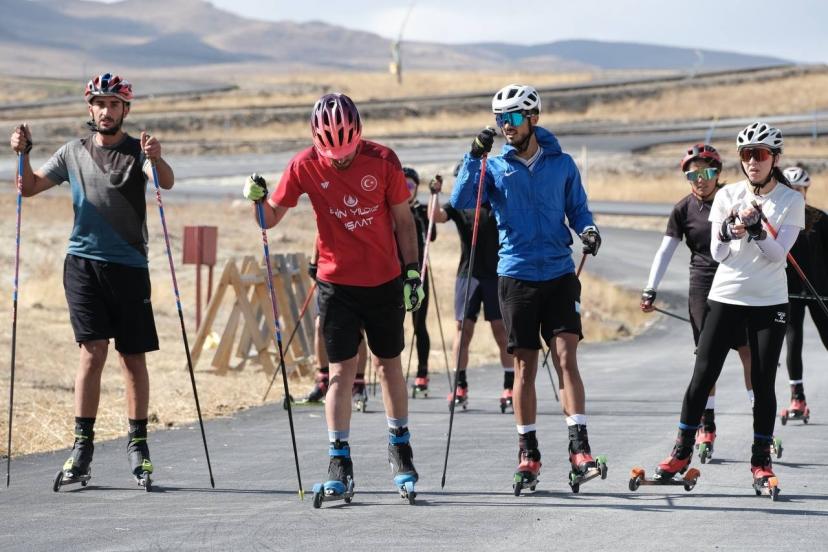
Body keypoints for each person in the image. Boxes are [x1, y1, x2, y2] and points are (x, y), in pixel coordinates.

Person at [243, 93, 423, 501]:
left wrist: (412, 272)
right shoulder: (303, 164)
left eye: (347, 151)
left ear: (359, 134)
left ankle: (400, 447)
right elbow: (269, 217)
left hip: (384, 280)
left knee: (388, 365)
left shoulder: (383, 160)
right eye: (332, 154)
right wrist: (256, 198)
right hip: (336, 283)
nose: (341, 160)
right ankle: (338, 458)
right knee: (340, 372)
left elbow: (403, 221)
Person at [8, 73, 174, 487]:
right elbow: (28, 188)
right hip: (82, 265)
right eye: (100, 103)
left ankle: (139, 446)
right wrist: (21, 154)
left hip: (129, 266)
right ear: (90, 108)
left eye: (114, 104)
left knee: (132, 358)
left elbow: (165, 183)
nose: (106, 110)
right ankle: (81, 449)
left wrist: (157, 157)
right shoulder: (72, 152)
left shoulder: (137, 151)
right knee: (92, 353)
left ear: (125, 110)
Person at [450, 83, 603, 491]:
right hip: (515, 274)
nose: (507, 125)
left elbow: (578, 209)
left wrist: (588, 230)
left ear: (533, 118)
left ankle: (580, 449)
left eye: (514, 117)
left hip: (558, 272)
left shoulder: (562, 164)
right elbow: (461, 200)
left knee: (566, 357)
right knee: (524, 368)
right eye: (501, 118)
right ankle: (529, 454)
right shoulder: (494, 166)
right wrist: (474, 156)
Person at [648, 122, 804, 496]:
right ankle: (681, 452)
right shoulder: (728, 195)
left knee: (763, 383)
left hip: (768, 301)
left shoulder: (790, 200)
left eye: (760, 154)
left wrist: (757, 230)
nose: (753, 161)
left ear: (774, 158)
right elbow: (718, 254)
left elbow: (778, 255)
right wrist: (726, 231)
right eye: (747, 154)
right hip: (726, 297)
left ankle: (761, 460)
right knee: (702, 375)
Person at [640, 143, 752, 461]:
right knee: (707, 357)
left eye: (707, 172)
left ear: (718, 173)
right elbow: (665, 251)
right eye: (693, 175)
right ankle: (707, 425)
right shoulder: (683, 209)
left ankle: (762, 422)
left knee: (749, 353)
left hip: (737, 280)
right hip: (703, 285)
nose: (700, 180)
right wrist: (650, 288)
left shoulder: (734, 200)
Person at [430, 173, 514, 412]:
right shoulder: (460, 203)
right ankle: (460, 385)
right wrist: (435, 194)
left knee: (501, 330)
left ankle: (509, 386)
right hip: (468, 275)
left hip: (496, 275)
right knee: (463, 329)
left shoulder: (498, 201)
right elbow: (436, 217)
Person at [782, 166, 828, 422]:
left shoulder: (820, 219)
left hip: (820, 291)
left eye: (799, 189)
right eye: (790, 189)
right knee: (793, 340)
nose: (795, 193)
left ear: (806, 190)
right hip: (791, 293)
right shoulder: (778, 220)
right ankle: (797, 396)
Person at [402, 166, 437, 397]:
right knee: (394, 326)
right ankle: (393, 371)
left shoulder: (422, 211)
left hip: (418, 276)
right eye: (402, 185)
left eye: (410, 185)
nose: (406, 190)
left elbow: (432, 235)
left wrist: (434, 196)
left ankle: (422, 372)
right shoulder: (392, 210)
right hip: (394, 275)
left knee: (419, 325)